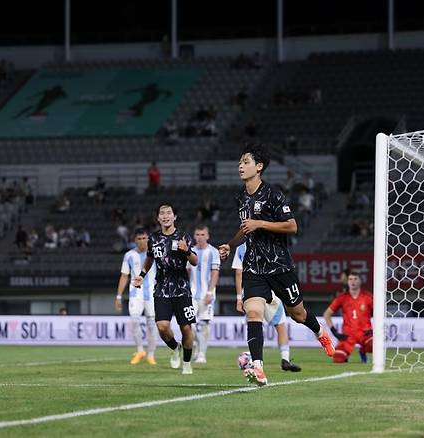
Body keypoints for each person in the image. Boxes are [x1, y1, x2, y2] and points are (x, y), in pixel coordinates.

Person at [218, 144, 334, 386]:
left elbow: (292, 226)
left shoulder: (273, 194)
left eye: (246, 161)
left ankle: (320, 332)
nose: (241, 166)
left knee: (298, 314)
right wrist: (230, 244)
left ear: (259, 167)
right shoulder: (241, 197)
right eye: (240, 162)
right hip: (253, 267)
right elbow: (245, 228)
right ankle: (258, 368)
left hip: (280, 266)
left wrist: (260, 223)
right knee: (253, 313)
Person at [133, 203, 198, 375]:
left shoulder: (183, 236)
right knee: (162, 327)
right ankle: (175, 347)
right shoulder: (153, 238)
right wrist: (141, 274)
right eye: (162, 213)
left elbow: (195, 261)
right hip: (161, 289)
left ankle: (186, 363)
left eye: (169, 213)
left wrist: (186, 251)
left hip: (182, 289)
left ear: (174, 217)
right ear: (158, 218)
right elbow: (149, 259)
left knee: (186, 328)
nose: (166, 216)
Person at [232, 242, 301, 372]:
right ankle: (285, 359)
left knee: (255, 327)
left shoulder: (241, 248)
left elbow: (238, 273)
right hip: (271, 292)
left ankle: (255, 359)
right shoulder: (270, 243)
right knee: (280, 327)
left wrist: (239, 297)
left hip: (252, 294)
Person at [117, 228, 159, 366]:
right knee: (134, 321)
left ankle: (151, 355)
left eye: (144, 238)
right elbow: (124, 276)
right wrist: (118, 296)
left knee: (152, 325)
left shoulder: (156, 254)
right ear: (134, 240)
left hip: (153, 295)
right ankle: (140, 350)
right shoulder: (129, 255)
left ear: (149, 239)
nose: (142, 241)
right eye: (139, 239)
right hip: (136, 294)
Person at [186, 224, 220, 364]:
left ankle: (202, 354)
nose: (200, 237)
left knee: (204, 324)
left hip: (207, 294)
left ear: (207, 236)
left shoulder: (213, 252)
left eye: (202, 235)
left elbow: (214, 273)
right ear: (194, 236)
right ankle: (193, 346)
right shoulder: (190, 251)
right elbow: (187, 272)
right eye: (197, 235)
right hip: (191, 294)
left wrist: (210, 292)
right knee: (189, 324)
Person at [323, 271, 373, 363]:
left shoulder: (368, 297)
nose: (353, 281)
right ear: (347, 281)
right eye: (350, 279)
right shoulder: (342, 298)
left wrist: (374, 330)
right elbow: (327, 314)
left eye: (355, 279)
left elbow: (378, 312)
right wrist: (334, 332)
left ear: (360, 281)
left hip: (365, 333)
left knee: (373, 344)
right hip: (348, 335)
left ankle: (363, 351)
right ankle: (344, 356)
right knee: (338, 357)